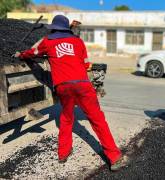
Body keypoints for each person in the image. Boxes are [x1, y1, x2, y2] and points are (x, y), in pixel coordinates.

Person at [14, 15, 125, 171]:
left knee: (66, 118)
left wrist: (21, 55)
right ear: (68, 29)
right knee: (98, 120)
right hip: (82, 85)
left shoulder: (48, 41)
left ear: (53, 28)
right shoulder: (78, 42)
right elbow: (86, 64)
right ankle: (114, 158)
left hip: (63, 87)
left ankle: (63, 153)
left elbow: (33, 52)